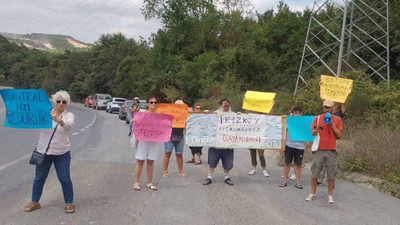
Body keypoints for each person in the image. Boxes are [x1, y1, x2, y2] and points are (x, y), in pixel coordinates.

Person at [23, 90, 75, 213]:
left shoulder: (69, 115)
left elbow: (69, 126)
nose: (61, 104)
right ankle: (34, 202)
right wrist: (11, 114)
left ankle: (69, 203)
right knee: (39, 178)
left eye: (64, 102)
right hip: (44, 152)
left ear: (67, 103)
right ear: (54, 101)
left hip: (62, 153)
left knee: (64, 178)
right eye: (58, 101)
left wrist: (58, 120)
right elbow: (28, 118)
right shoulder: (45, 113)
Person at [306, 99, 343, 204]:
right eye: (325, 107)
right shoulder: (317, 118)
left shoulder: (338, 119)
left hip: (331, 149)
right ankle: (312, 193)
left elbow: (339, 135)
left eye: (329, 107)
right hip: (319, 149)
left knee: (331, 173)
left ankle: (330, 195)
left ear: (332, 108)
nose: (327, 109)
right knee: (315, 171)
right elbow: (312, 133)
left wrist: (332, 124)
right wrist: (315, 131)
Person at [203, 99, 236, 186]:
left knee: (228, 163)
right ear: (220, 106)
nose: (226, 107)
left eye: (227, 106)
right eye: (224, 106)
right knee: (212, 162)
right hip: (215, 145)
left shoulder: (234, 115)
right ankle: (209, 177)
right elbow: (205, 123)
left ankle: (227, 177)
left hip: (228, 145)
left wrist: (242, 115)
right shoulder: (214, 114)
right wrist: (205, 113)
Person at [132, 96, 161, 191]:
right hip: (143, 140)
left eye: (155, 102)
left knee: (150, 162)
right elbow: (134, 122)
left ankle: (149, 182)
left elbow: (164, 127)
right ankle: (136, 183)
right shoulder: (142, 114)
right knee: (140, 161)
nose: (153, 104)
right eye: (151, 102)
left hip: (153, 141)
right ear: (147, 104)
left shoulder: (159, 116)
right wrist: (134, 121)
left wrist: (168, 125)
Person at [317, 100, 347, 184]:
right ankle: (320, 177)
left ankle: (329, 180)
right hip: (324, 137)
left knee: (329, 161)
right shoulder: (325, 113)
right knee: (322, 159)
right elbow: (324, 101)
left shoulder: (340, 113)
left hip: (334, 138)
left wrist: (347, 93)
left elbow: (344, 103)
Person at [280, 106, 305, 189]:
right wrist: (289, 118)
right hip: (289, 145)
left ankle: (297, 182)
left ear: (302, 114)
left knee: (298, 165)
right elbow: (283, 127)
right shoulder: (289, 121)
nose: (297, 115)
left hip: (300, 147)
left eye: (299, 113)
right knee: (287, 163)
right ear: (293, 113)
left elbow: (308, 132)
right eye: (295, 113)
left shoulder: (305, 122)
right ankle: (284, 181)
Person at [162, 100, 187, 177]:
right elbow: (161, 121)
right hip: (169, 136)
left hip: (180, 136)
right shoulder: (169, 114)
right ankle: (165, 170)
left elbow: (196, 116)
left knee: (179, 154)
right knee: (167, 153)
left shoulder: (185, 115)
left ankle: (180, 170)